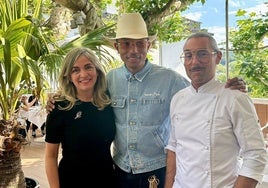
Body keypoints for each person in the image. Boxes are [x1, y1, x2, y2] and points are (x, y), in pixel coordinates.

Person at [46, 13, 247, 188]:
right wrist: (56, 98)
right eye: (126, 43)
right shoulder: (109, 80)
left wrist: (228, 88)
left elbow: (200, 92)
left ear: (148, 45)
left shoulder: (170, 79)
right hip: (119, 171)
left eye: (140, 43)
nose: (133, 50)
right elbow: (85, 89)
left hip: (156, 171)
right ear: (117, 47)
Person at [164, 32, 267, 188]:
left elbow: (256, 155)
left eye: (202, 54)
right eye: (188, 56)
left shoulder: (235, 98)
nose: (194, 62)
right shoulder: (178, 99)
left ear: (217, 57)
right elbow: (174, 147)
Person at [44, 47, 116, 188]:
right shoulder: (59, 107)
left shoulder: (108, 101)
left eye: (88, 67)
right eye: (75, 70)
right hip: (72, 181)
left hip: (107, 180)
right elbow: (50, 156)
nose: (83, 74)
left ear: (97, 70)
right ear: (68, 76)